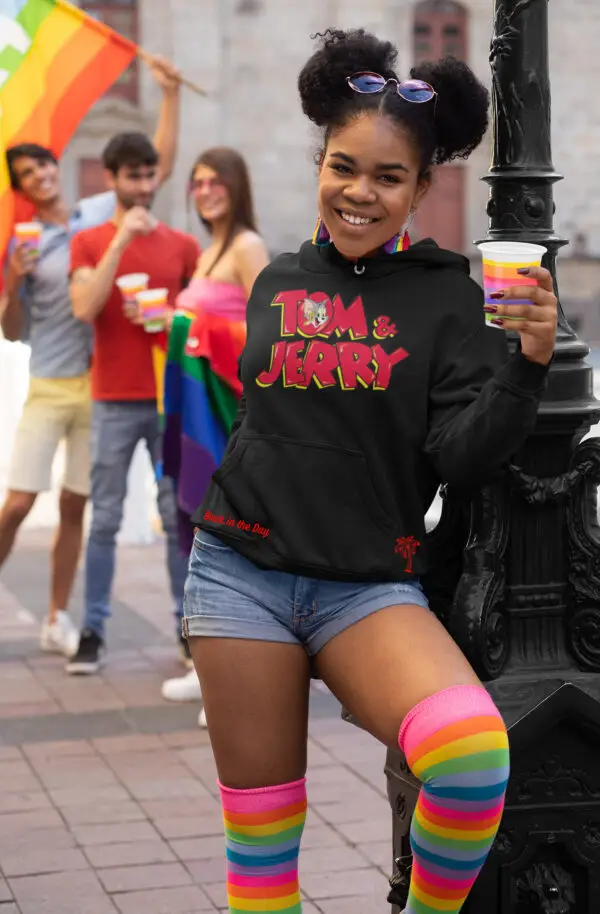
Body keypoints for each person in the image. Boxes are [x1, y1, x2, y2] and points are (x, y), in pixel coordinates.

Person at [182, 29, 558, 914]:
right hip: (241, 573)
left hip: (364, 587)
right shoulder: (275, 279)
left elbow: (459, 456)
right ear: (321, 162)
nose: (360, 192)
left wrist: (527, 365)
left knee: (469, 758)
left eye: (389, 177)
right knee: (263, 844)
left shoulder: (449, 299)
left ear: (423, 188)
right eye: (344, 167)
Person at [0, 57, 182, 658]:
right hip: (54, 382)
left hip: (102, 384)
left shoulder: (91, 216)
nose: (43, 176)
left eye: (45, 164)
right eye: (29, 173)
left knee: (81, 507)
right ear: (22, 187)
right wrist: (12, 282)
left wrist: (169, 96)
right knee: (21, 501)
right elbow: (12, 330)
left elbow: (153, 167)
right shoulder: (30, 246)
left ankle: (60, 617)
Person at [67, 131, 201, 675]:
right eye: (133, 177)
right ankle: (93, 629)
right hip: (113, 399)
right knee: (104, 520)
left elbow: (199, 321)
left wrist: (172, 320)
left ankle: (184, 629)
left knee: (176, 517)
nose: (144, 187)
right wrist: (121, 241)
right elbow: (83, 306)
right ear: (112, 179)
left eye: (150, 176)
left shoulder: (182, 245)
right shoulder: (90, 242)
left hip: (169, 400)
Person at [161, 147, 269, 720]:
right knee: (196, 541)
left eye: (215, 180)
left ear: (236, 185)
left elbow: (269, 328)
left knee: (225, 542)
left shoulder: (247, 247)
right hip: (194, 415)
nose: (205, 190)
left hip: (225, 417)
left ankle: (232, 679)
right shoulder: (207, 253)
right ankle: (203, 666)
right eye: (197, 181)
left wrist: (200, 329)